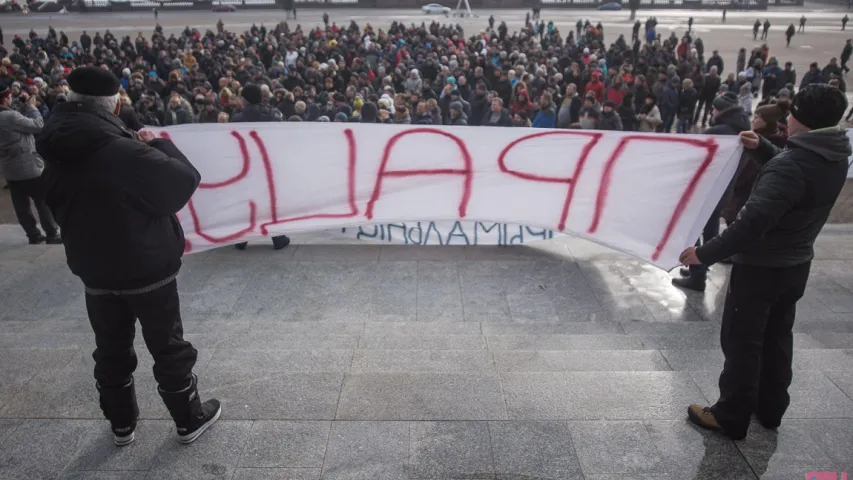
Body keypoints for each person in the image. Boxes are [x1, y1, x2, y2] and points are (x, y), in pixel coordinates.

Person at [35, 67, 221, 446]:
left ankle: (121, 424)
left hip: (93, 268)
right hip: (145, 265)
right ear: (114, 104)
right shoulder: (120, 149)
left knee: (111, 348)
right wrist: (155, 145)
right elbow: (183, 180)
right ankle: (188, 419)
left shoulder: (54, 143)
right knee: (168, 346)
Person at [681, 84, 851, 441]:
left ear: (803, 120)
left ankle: (730, 415)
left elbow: (752, 224)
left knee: (742, 342)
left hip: (761, 269)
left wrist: (704, 252)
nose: (786, 118)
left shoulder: (792, 166)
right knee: (776, 338)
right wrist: (765, 150)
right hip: (796, 264)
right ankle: (770, 407)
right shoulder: (833, 152)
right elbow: (799, 176)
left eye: (793, 114)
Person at [673, 91, 749, 292]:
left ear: (722, 111)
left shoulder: (719, 132)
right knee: (710, 230)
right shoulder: (741, 128)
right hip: (723, 190)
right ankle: (700, 268)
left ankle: (698, 274)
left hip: (705, 190)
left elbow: (694, 157)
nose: (712, 111)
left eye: (715, 108)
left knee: (694, 230)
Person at [231, 84, 291, 251]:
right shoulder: (275, 114)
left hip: (247, 166)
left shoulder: (237, 119)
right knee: (270, 201)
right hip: (270, 165)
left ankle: (243, 238)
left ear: (245, 99)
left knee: (248, 202)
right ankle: (278, 237)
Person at [0, 86, 61, 244]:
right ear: (5, 98)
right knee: (42, 200)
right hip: (28, 166)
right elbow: (38, 125)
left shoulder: (8, 115)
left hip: (9, 167)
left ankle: (33, 234)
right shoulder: (9, 116)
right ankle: (52, 233)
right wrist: (32, 107)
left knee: (21, 204)